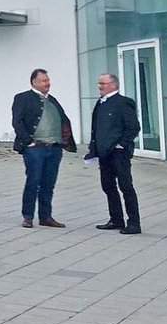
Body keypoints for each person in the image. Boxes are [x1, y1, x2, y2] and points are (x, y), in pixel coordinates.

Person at [11, 68, 77, 228]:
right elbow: (17, 121)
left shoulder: (52, 100)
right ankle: (28, 216)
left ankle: (45, 216)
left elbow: (63, 120)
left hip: (54, 148)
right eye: (43, 80)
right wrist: (28, 141)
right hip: (35, 148)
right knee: (33, 181)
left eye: (48, 80)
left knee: (49, 183)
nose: (47, 83)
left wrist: (64, 141)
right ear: (34, 82)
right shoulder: (23, 98)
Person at [89, 72, 141, 235]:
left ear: (113, 85)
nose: (100, 87)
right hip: (104, 152)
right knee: (108, 186)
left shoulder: (123, 102)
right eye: (99, 83)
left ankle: (134, 223)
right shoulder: (101, 103)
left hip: (119, 153)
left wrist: (121, 144)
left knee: (126, 186)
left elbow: (133, 126)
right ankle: (116, 219)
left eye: (103, 83)